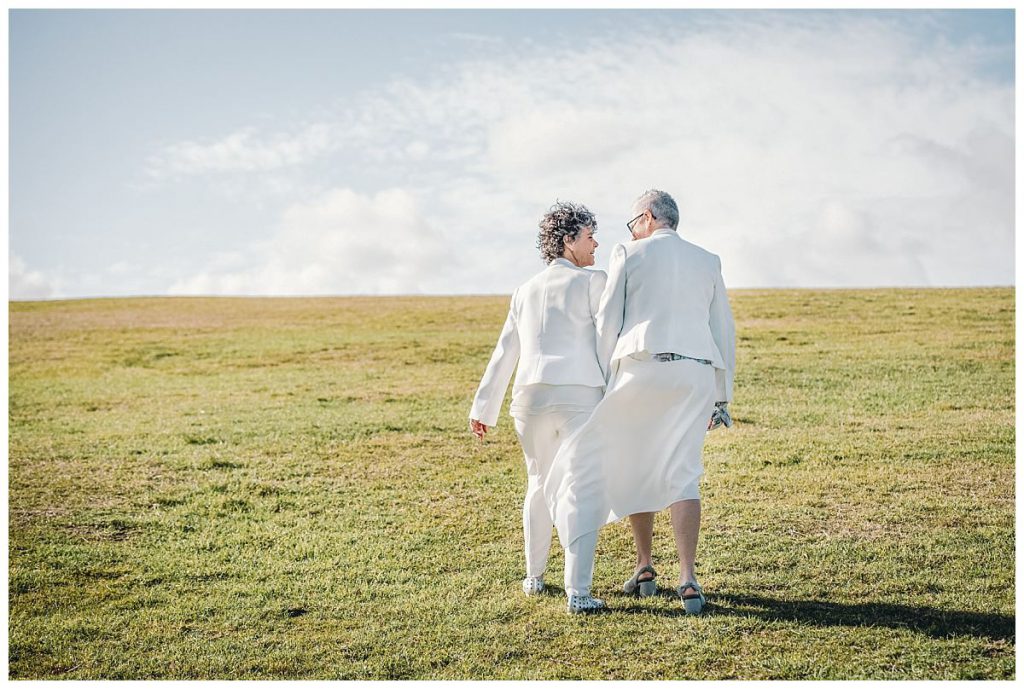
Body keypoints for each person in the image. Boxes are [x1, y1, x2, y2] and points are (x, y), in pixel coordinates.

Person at [545, 189, 736, 614]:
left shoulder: (628, 254)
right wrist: (721, 398)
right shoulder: (708, 260)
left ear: (647, 218)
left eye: (633, 224)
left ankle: (645, 565)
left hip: (640, 368)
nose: (631, 232)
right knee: (684, 472)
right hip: (695, 373)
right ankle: (688, 579)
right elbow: (722, 327)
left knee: (633, 462)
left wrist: (603, 378)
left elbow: (609, 320)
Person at [468, 201, 609, 614]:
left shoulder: (524, 290)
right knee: (579, 488)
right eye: (588, 236)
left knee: (537, 482)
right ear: (567, 240)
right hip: (579, 393)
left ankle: (534, 577)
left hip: (528, 398)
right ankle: (578, 592)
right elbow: (608, 341)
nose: (595, 243)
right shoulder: (593, 282)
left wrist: (483, 408)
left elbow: (505, 351)